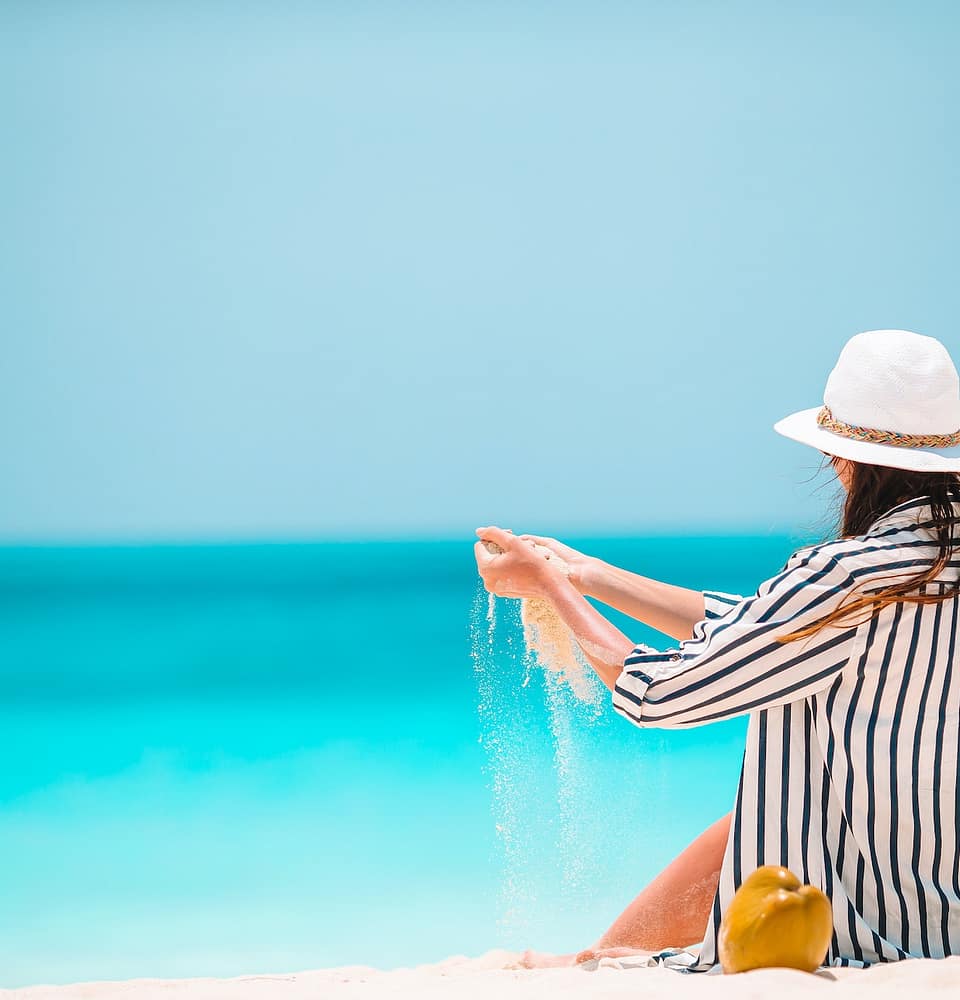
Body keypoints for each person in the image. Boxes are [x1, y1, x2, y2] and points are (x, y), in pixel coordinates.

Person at [474, 329, 960, 969]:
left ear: (843, 460)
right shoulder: (920, 574)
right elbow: (768, 636)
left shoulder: (849, 577)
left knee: (767, 811)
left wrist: (549, 592)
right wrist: (587, 575)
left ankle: (591, 963)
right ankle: (594, 958)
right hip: (943, 906)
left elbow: (656, 693)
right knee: (744, 825)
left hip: (861, 926)